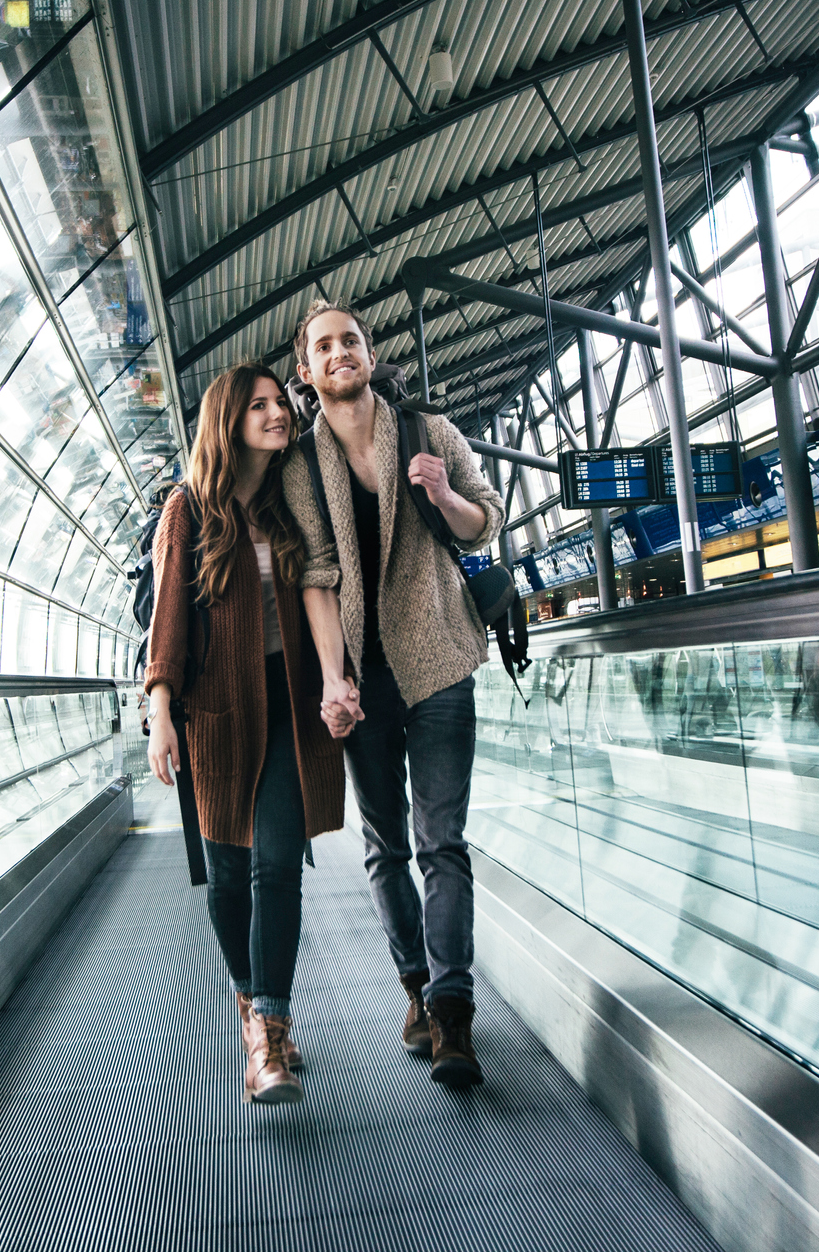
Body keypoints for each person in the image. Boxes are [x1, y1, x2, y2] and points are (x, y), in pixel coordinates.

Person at [282, 301, 505, 1089]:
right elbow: (313, 572)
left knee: (441, 842)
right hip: (362, 679)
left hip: (439, 658)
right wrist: (333, 677)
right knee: (386, 847)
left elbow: (486, 522)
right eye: (323, 346)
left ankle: (452, 1012)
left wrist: (443, 495)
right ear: (305, 373)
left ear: (369, 355)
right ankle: (413, 983)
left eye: (352, 339)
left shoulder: (429, 430)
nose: (341, 351)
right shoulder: (301, 465)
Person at [144, 363, 346, 1105]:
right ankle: (248, 998)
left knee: (275, 866)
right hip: (215, 714)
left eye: (278, 402)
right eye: (258, 405)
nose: (276, 413)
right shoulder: (190, 510)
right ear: (227, 421)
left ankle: (270, 1030)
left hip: (288, 708)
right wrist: (159, 711)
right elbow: (168, 617)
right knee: (229, 878)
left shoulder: (289, 505)